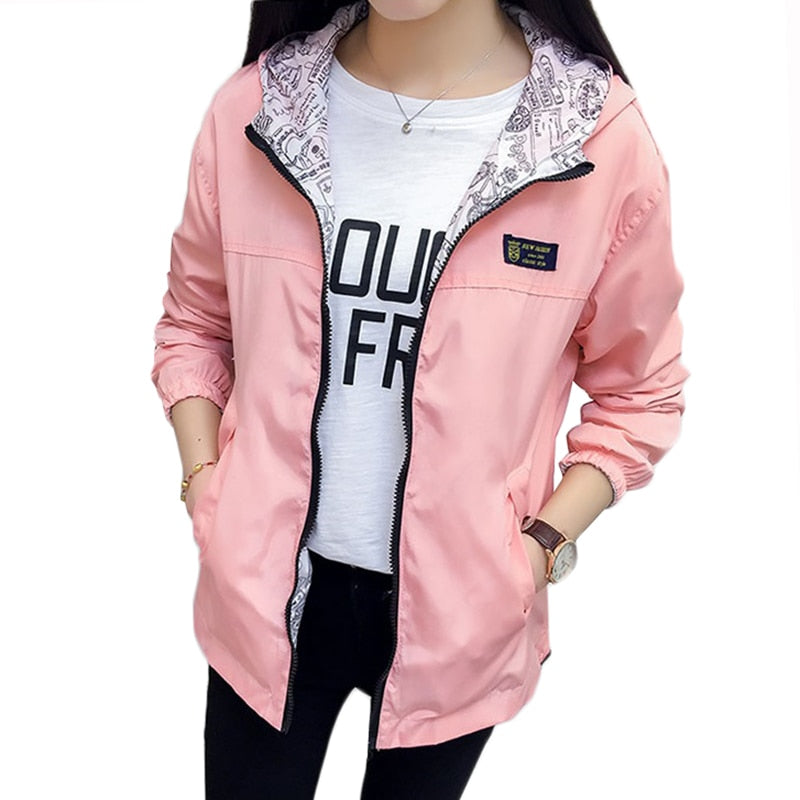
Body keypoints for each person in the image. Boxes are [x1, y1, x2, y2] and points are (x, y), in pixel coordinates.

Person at [150, 0, 690, 797]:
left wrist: (540, 546)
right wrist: (207, 489)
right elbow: (196, 323)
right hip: (260, 594)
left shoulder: (593, 138)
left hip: (463, 618)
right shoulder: (260, 108)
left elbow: (641, 388)